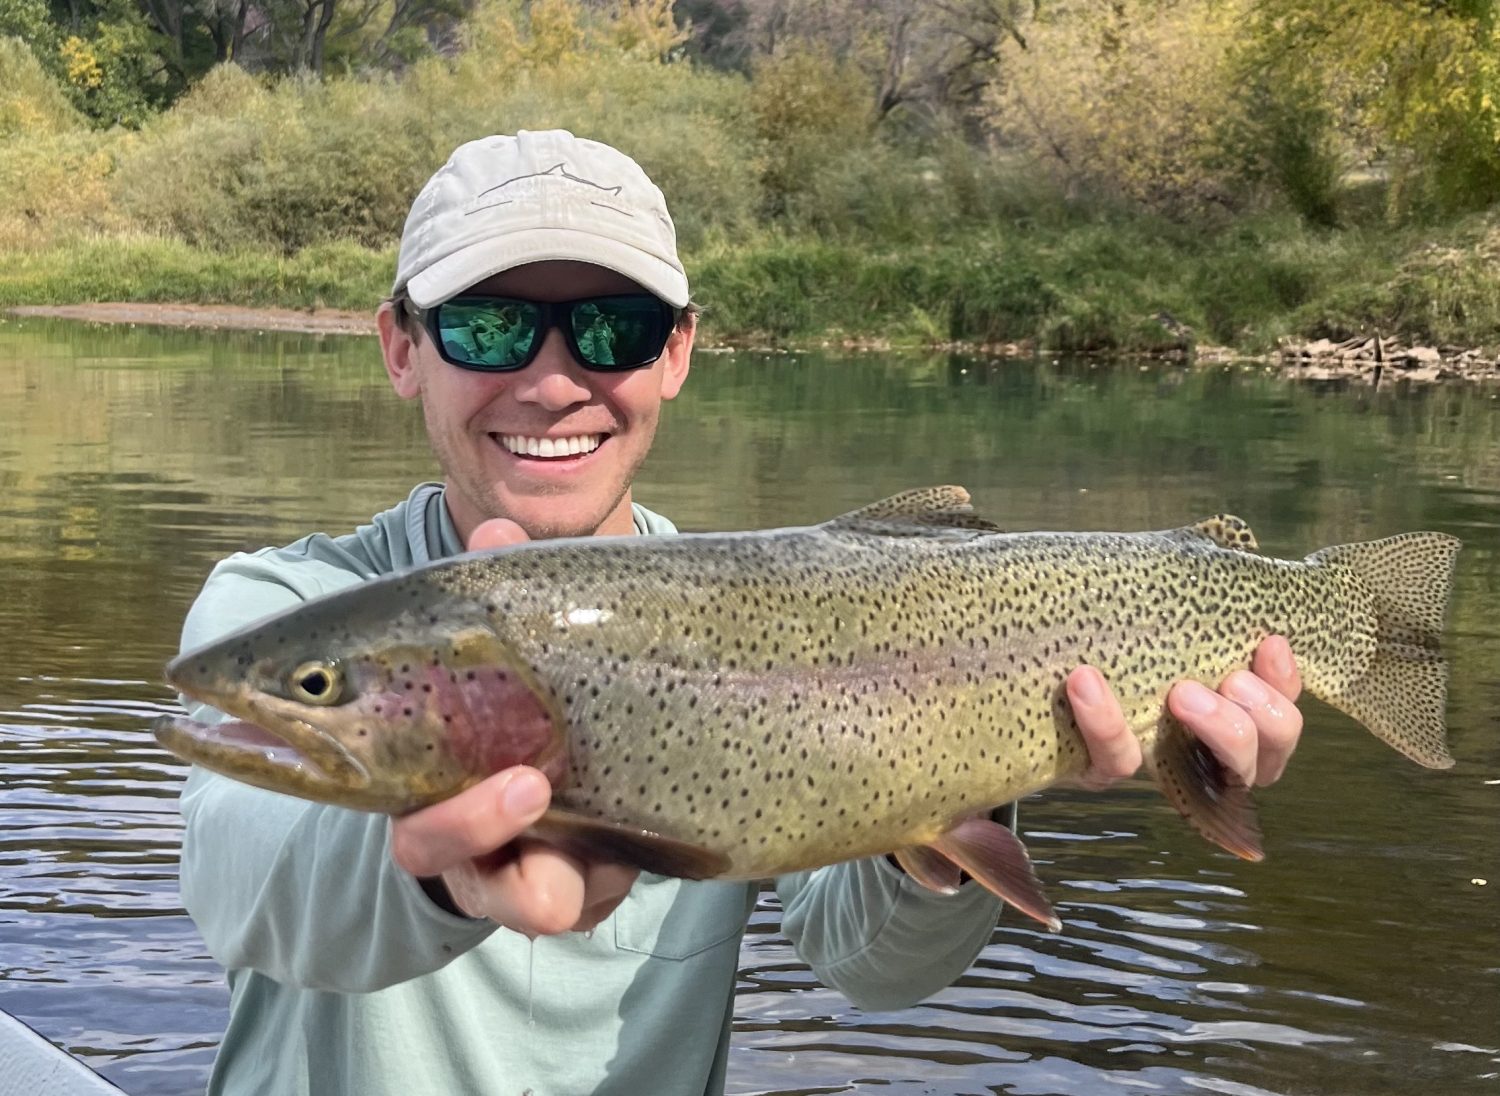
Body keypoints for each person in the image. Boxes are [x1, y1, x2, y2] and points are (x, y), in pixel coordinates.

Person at [174, 130, 1304, 1096]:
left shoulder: (774, 609)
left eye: (612, 328)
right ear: (400, 349)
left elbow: (874, 967)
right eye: (488, 326)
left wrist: (983, 767)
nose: (554, 381)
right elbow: (249, 887)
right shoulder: (284, 603)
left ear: (676, 353)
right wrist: (434, 871)